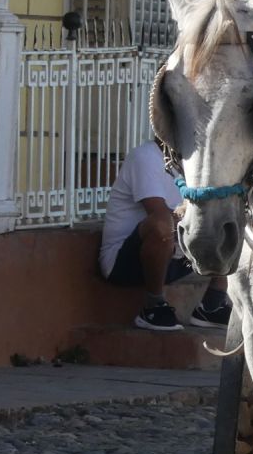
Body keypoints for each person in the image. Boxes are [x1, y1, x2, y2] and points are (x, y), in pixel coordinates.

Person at [99, 140, 231, 332]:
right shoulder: (144, 157)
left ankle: (213, 304)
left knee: (230, 213)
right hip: (123, 263)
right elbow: (158, 213)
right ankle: (154, 306)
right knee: (161, 223)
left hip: (173, 258)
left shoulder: (191, 162)